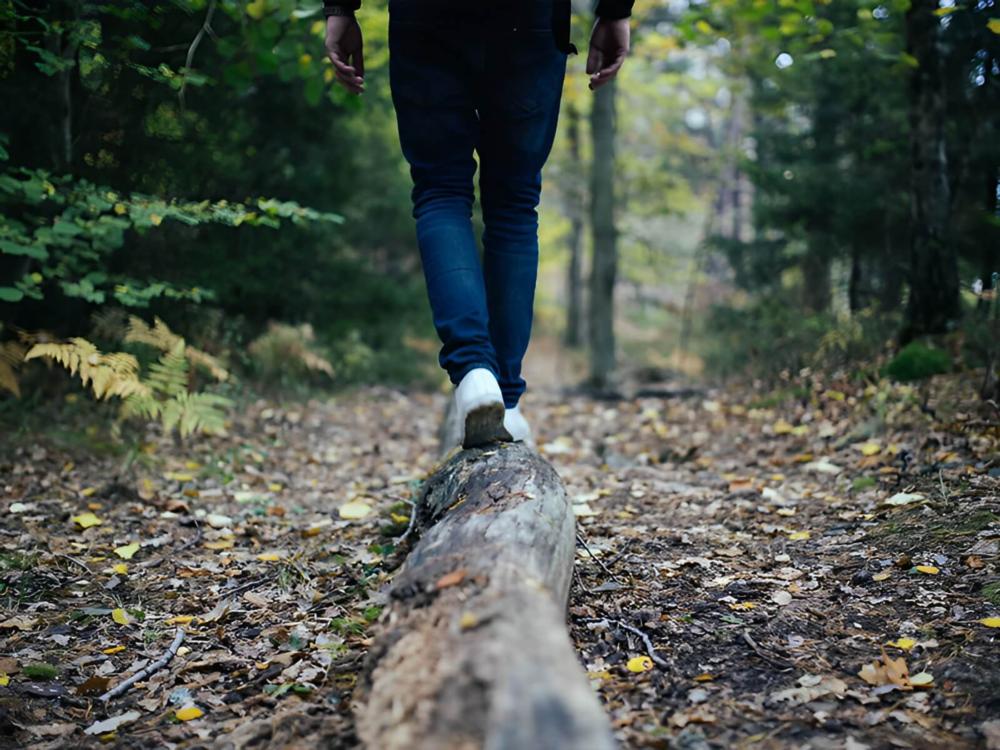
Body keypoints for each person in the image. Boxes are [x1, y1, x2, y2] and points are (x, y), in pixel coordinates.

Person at [324, 0, 632, 448]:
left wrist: (339, 9)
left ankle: (474, 375)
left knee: (441, 191)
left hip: (424, 17)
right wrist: (615, 11)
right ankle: (505, 399)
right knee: (513, 204)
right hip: (529, 19)